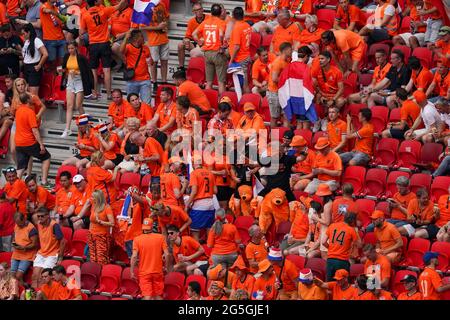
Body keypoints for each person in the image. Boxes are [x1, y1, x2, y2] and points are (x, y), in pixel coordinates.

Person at [80, 0, 128, 100]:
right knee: (107, 70)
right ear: (96, 2)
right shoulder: (104, 11)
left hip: (93, 44)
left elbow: (82, 31)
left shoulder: (85, 15)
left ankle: (95, 92)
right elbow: (119, 6)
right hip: (104, 43)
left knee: (93, 70)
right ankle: (109, 94)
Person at [14, 93, 51, 186]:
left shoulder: (18, 111)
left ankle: (14, 186)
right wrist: (41, 144)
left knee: (21, 167)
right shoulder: (30, 112)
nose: (32, 98)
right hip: (29, 142)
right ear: (27, 100)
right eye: (30, 97)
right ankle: (44, 181)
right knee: (46, 157)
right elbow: (35, 130)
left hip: (18, 143)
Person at [131, 217, 170, 300]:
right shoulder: (161, 237)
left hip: (144, 273)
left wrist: (131, 271)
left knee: (147, 297)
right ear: (152, 227)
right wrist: (166, 267)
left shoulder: (137, 239)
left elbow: (134, 256)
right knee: (158, 296)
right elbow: (167, 254)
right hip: (158, 272)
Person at [192, 3, 227, 95]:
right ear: (220, 13)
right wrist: (222, 45)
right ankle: (221, 102)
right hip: (217, 53)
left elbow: (194, 34)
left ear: (211, 12)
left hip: (207, 53)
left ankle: (209, 101)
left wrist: (199, 42)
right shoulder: (221, 22)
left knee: (209, 82)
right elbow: (221, 34)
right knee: (221, 82)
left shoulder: (205, 22)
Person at [60, 41, 92, 138]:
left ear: (76, 48)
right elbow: (65, 69)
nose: (70, 50)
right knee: (69, 105)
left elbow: (87, 72)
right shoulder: (66, 56)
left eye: (72, 48)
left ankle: (86, 124)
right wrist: (62, 71)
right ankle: (67, 129)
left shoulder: (81, 58)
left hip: (80, 81)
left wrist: (77, 73)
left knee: (78, 105)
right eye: (69, 48)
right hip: (70, 80)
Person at [138, 1, 169, 91]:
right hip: (153, 40)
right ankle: (154, 82)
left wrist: (165, 24)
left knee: (164, 61)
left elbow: (166, 17)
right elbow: (141, 27)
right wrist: (157, 28)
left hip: (164, 38)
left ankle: (164, 82)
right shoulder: (146, 7)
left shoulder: (161, 4)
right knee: (154, 63)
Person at [31, 207, 66, 289]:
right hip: (41, 253)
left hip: (52, 254)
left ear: (48, 216)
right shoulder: (39, 224)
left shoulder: (54, 225)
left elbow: (63, 241)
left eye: (42, 216)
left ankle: (41, 295)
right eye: (38, 216)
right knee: (34, 276)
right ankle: (33, 295)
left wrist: (60, 257)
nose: (40, 218)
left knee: (42, 277)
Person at [185, 155, 217, 241]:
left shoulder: (194, 173)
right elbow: (215, 191)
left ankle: (197, 252)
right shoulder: (210, 173)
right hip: (211, 204)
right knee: (209, 231)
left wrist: (187, 204)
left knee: (195, 231)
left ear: (193, 163)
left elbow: (194, 191)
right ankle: (209, 251)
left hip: (199, 205)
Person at [322, 212, 360, 281]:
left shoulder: (332, 225)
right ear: (353, 221)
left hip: (330, 260)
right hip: (342, 261)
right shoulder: (351, 230)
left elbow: (323, 242)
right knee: (343, 286)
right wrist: (356, 230)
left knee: (330, 285)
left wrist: (330, 248)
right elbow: (359, 245)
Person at [120, 29, 152, 105]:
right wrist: (125, 38)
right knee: (131, 104)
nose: (144, 38)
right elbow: (121, 51)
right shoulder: (128, 47)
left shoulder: (145, 48)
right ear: (136, 39)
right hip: (132, 80)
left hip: (145, 80)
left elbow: (151, 61)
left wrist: (151, 61)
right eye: (141, 36)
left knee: (146, 104)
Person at [267, 42, 292, 128]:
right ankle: (274, 139)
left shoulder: (287, 61)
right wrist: (287, 82)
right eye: (290, 49)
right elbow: (274, 79)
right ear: (285, 51)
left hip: (283, 92)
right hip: (275, 92)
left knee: (286, 116)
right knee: (275, 117)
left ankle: (285, 137)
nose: (292, 51)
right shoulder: (278, 62)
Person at [88, 190, 114, 265]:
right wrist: (89, 233)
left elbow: (112, 223)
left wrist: (101, 222)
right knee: (93, 258)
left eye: (93, 197)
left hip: (102, 236)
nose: (91, 198)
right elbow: (91, 221)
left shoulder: (107, 208)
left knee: (101, 258)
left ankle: (102, 273)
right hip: (92, 235)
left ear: (98, 198)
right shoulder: (93, 205)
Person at [228, 7, 252, 94]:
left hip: (240, 59)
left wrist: (231, 61)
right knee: (242, 84)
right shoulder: (247, 25)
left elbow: (237, 47)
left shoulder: (237, 28)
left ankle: (247, 102)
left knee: (244, 85)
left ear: (234, 16)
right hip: (245, 56)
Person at [10, 212, 38, 285]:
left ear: (24, 219)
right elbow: (14, 237)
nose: (18, 225)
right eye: (17, 223)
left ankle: (23, 291)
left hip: (27, 255)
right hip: (16, 253)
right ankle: (15, 294)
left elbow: (35, 244)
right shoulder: (16, 225)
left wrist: (24, 247)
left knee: (18, 276)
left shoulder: (31, 228)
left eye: (20, 223)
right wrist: (14, 243)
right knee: (12, 276)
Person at [21, 23, 48, 96]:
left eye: (24, 33)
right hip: (26, 67)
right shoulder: (26, 41)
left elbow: (45, 54)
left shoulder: (37, 40)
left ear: (29, 32)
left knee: (33, 94)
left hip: (34, 67)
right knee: (26, 92)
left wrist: (39, 65)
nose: (23, 35)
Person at [177, 2, 205, 70]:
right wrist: (186, 40)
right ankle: (181, 68)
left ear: (203, 10)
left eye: (200, 9)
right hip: (196, 43)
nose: (198, 12)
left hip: (206, 43)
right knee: (181, 45)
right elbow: (187, 36)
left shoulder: (208, 18)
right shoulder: (191, 21)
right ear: (193, 12)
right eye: (196, 10)